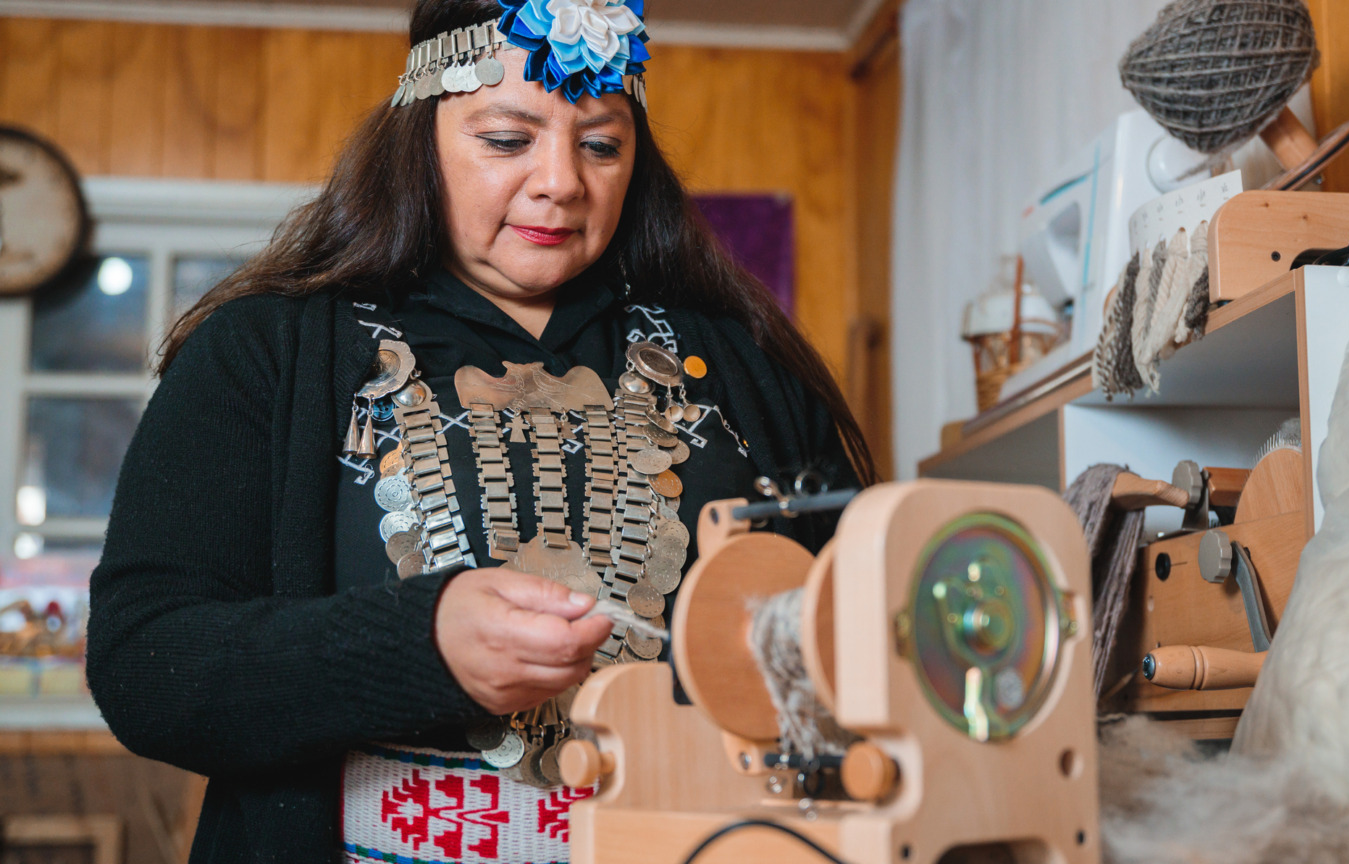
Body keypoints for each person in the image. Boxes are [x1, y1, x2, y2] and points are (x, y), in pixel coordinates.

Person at [85, 1, 876, 861]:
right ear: (420, 140)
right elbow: (144, 664)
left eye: (602, 144)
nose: (562, 182)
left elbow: (861, 628)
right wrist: (417, 643)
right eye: (507, 139)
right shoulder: (265, 351)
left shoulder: (744, 362)